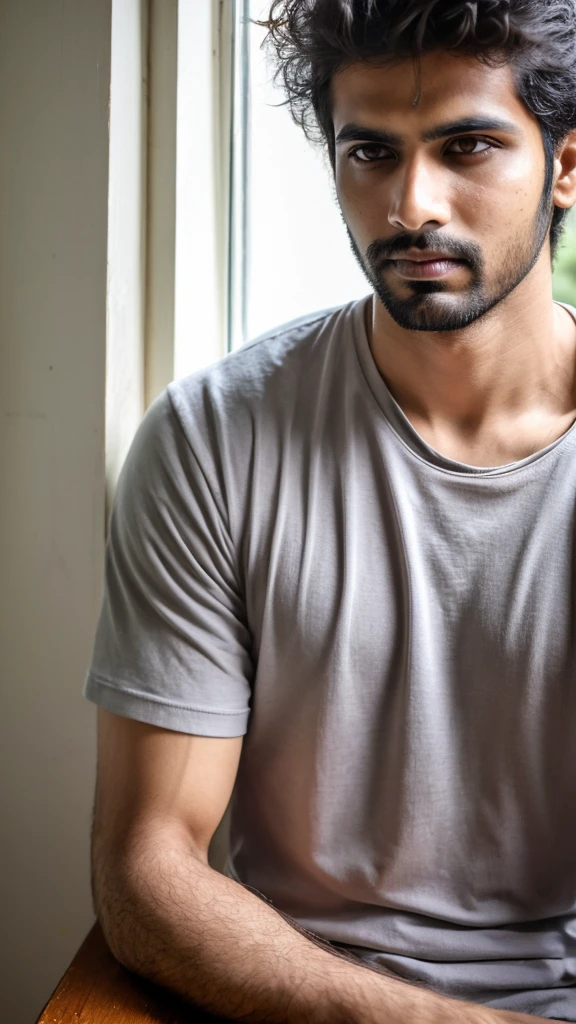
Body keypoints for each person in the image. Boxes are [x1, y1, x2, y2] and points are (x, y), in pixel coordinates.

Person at [85, 1, 576, 1021]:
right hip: (292, 998)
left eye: (469, 146)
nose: (411, 204)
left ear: (565, 168)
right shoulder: (214, 438)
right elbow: (145, 867)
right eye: (370, 153)